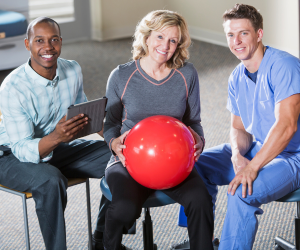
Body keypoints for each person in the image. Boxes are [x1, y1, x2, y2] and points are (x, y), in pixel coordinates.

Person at [171, 3, 300, 250]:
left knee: (242, 192)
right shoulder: (237, 76)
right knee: (191, 165)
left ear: (259, 34)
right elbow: (239, 128)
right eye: (231, 34)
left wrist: (252, 167)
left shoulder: (284, 66)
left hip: (294, 156)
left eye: (244, 33)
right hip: (259, 148)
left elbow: (286, 127)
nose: (236, 41)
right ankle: (201, 241)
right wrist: (238, 155)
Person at [103, 10, 214, 250]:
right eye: (160, 37)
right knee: (123, 209)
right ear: (146, 37)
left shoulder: (187, 74)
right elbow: (110, 124)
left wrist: (199, 141)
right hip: (128, 162)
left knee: (201, 200)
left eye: (173, 40)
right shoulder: (121, 75)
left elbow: (193, 121)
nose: (166, 46)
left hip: (174, 162)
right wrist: (113, 143)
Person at [0, 17, 112, 250]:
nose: (48, 47)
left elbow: (83, 114)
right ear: (27, 44)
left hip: (56, 148)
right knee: (51, 180)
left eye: (54, 40)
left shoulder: (72, 69)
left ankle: (103, 239)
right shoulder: (13, 87)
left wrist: (115, 139)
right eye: (39, 40)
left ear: (61, 42)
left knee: (119, 159)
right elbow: (21, 147)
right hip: (11, 155)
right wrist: (57, 137)